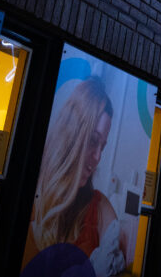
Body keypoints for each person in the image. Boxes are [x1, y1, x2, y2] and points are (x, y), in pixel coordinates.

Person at [23, 76, 126, 277]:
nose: (97, 157)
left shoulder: (100, 208)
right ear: (72, 133)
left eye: (102, 147)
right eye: (93, 141)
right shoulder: (29, 189)